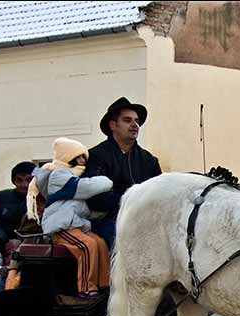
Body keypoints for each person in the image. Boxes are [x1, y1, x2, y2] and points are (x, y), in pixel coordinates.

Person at [27, 137, 113, 301]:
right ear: (68, 157)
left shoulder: (72, 176)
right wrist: (106, 180)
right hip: (61, 227)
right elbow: (85, 188)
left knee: (101, 244)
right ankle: (87, 289)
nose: (83, 161)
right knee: (87, 246)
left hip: (77, 225)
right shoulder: (59, 175)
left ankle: (104, 285)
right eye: (79, 157)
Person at [84, 97, 162, 248]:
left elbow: (160, 193)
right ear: (113, 125)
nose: (134, 125)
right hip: (110, 220)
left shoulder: (149, 160)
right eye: (127, 120)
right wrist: (132, 198)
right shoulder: (97, 155)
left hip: (146, 219)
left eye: (137, 121)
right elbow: (95, 198)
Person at [0, 161, 36, 239]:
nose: (25, 184)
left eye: (29, 179)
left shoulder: (43, 201)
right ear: (14, 181)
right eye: (19, 180)